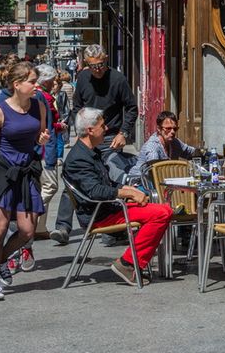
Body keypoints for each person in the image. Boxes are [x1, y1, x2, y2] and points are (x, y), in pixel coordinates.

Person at [62, 107, 172, 286]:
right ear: (90, 130)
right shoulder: (78, 158)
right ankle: (128, 263)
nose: (106, 129)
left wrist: (128, 189)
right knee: (162, 213)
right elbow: (95, 191)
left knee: (161, 209)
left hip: (109, 208)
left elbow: (106, 184)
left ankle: (133, 262)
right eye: (102, 125)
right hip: (100, 214)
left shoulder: (91, 152)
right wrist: (127, 192)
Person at [0, 62, 50, 301]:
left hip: (27, 170)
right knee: (0, 227)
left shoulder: (39, 106)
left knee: (27, 230)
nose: (36, 85)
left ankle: (2, 259)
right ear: (17, 84)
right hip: (3, 172)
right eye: (32, 81)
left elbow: (40, 135)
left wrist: (43, 139)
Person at [50, 44, 138, 246]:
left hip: (110, 135)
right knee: (75, 177)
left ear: (106, 59)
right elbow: (78, 106)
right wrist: (79, 128)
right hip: (87, 135)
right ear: (86, 64)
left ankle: (111, 229)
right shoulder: (83, 78)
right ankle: (63, 226)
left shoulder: (117, 79)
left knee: (107, 178)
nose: (97, 69)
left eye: (101, 64)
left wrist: (124, 132)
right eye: (93, 66)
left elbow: (131, 108)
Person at [35, 64, 66, 241]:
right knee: (50, 186)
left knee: (42, 186)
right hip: (47, 149)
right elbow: (45, 124)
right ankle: (32, 216)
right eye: (53, 79)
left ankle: (40, 228)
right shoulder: (43, 97)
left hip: (44, 146)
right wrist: (57, 127)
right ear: (46, 80)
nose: (55, 81)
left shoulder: (40, 95)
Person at [133, 111, 200, 179]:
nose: (172, 132)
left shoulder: (175, 142)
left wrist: (204, 152)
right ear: (159, 129)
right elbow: (154, 165)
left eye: (175, 129)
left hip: (163, 181)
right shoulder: (152, 145)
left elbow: (191, 152)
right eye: (168, 129)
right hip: (141, 181)